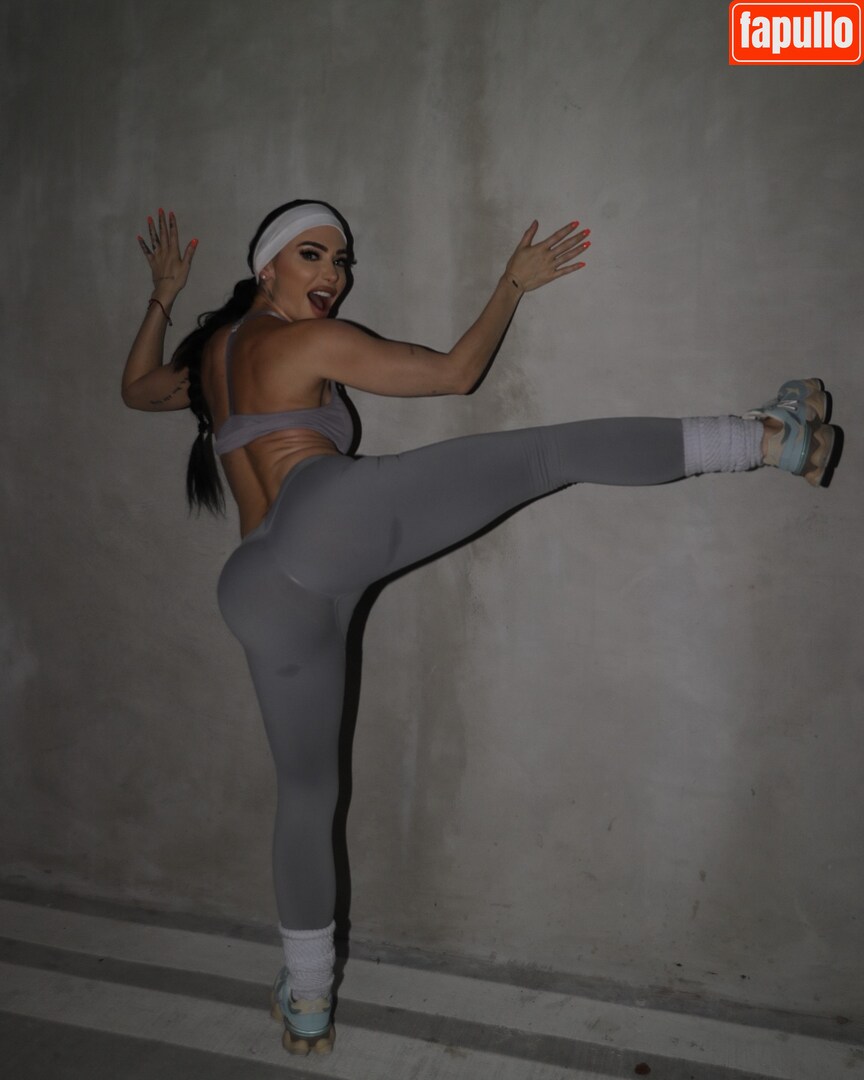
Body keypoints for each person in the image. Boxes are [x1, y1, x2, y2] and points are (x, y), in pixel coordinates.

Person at [122, 201, 839, 1056]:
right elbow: (457, 373)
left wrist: (162, 296)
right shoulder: (306, 342)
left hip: (253, 585)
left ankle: (307, 1001)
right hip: (322, 524)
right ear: (266, 266)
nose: (335, 275)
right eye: (313, 255)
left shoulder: (211, 360)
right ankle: (769, 438)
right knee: (546, 456)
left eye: (342, 261)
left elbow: (135, 390)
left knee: (307, 795)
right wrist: (510, 284)